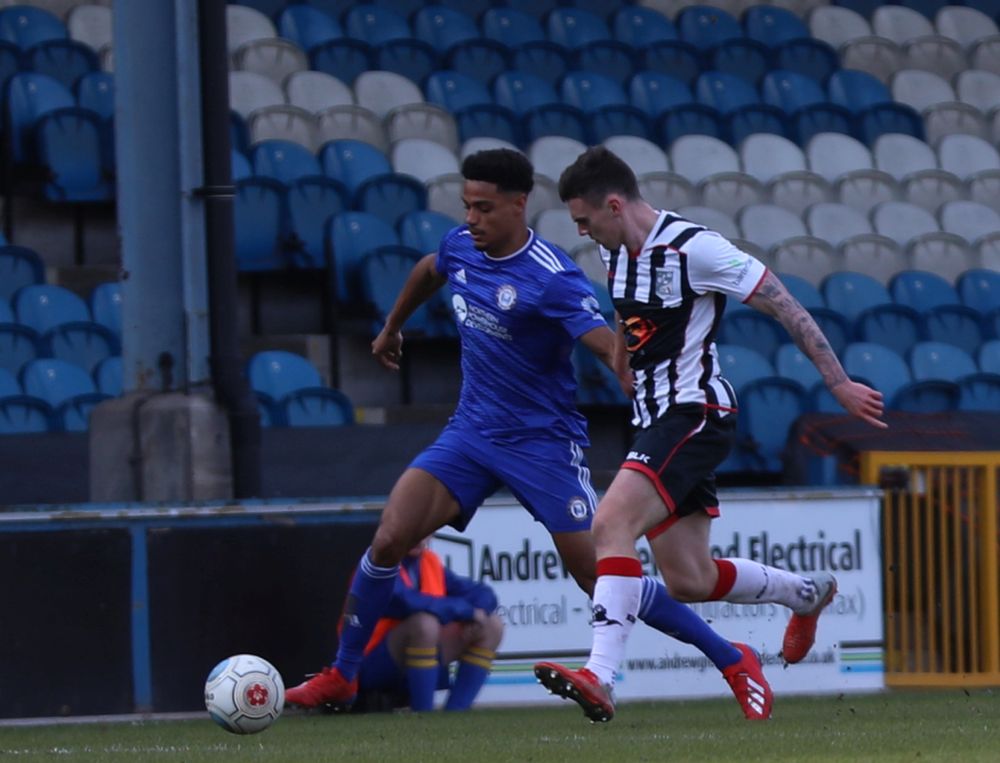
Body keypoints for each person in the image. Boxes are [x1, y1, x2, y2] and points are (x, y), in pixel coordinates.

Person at [285, 148, 773, 720]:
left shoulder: (552, 276)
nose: (472, 219)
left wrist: (623, 362)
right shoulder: (461, 245)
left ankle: (729, 656)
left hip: (542, 445)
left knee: (598, 575)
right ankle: (343, 675)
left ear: (520, 206)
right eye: (467, 206)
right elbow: (427, 270)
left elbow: (597, 335)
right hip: (470, 432)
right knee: (391, 535)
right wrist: (393, 327)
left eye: (485, 208)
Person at [534, 146, 887, 723]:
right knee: (689, 579)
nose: (581, 231)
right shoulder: (613, 247)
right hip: (654, 418)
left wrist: (839, 381)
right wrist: (623, 361)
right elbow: (626, 310)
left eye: (584, 219)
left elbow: (784, 304)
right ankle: (805, 593)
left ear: (615, 205)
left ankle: (600, 675)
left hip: (695, 412)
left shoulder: (696, 248)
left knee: (610, 523)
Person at [353, 538, 504, 712]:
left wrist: (478, 613)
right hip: (369, 662)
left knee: (492, 625)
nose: (418, 536)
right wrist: (468, 612)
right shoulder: (380, 561)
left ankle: (456, 713)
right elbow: (405, 601)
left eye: (424, 530)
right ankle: (424, 717)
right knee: (425, 624)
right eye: (413, 529)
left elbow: (482, 592)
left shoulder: (429, 561)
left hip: (414, 656)